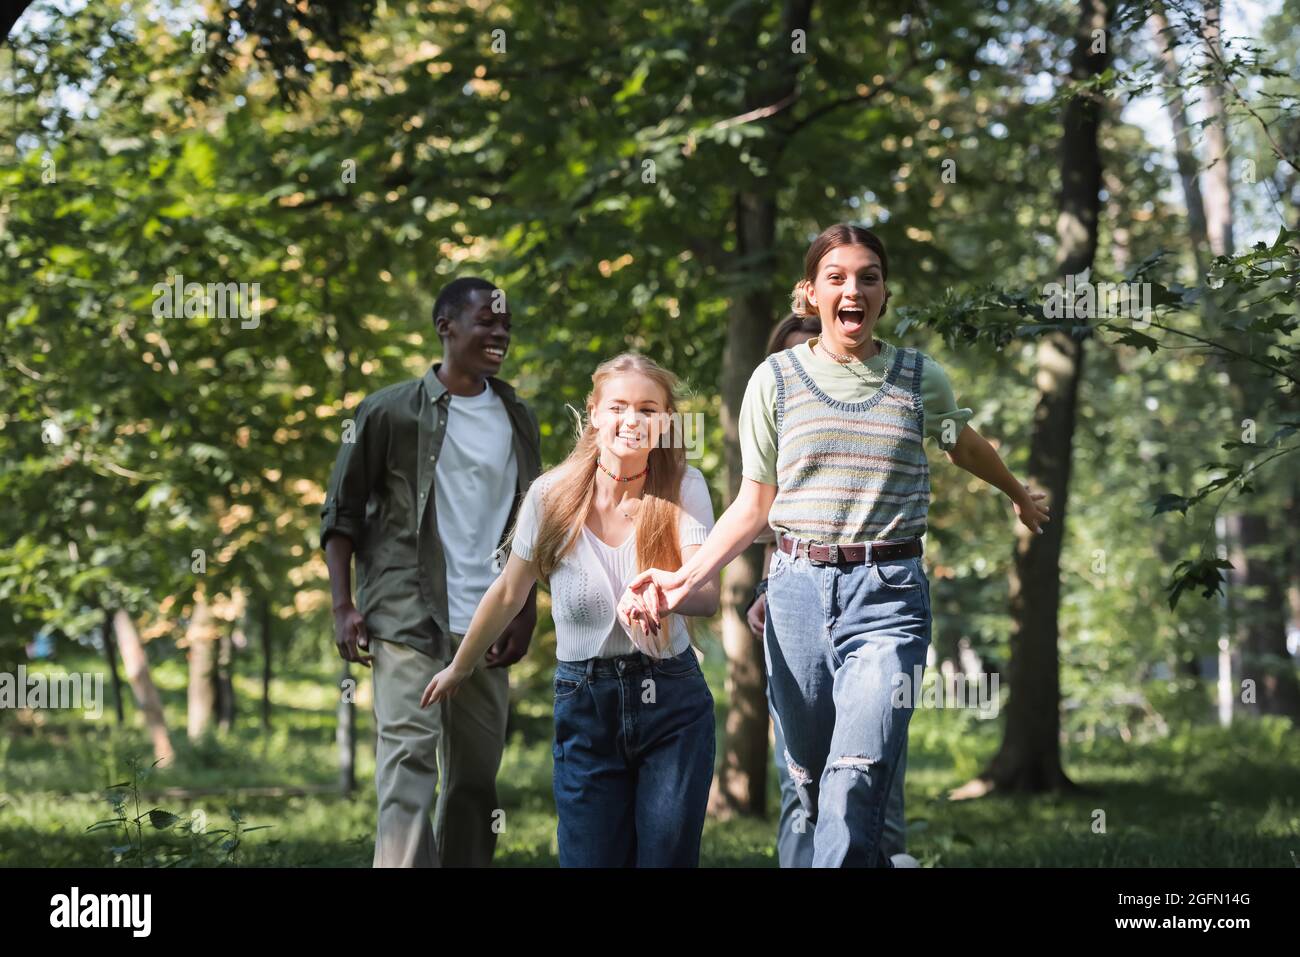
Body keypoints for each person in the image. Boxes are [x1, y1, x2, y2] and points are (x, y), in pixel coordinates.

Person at [625, 224, 1051, 867]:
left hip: (889, 595)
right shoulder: (775, 380)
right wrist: (681, 579)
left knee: (855, 774)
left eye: (868, 277)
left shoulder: (918, 377)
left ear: (883, 293)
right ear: (810, 293)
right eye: (837, 277)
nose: (854, 288)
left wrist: (1017, 492)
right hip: (795, 593)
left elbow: (963, 445)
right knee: (808, 782)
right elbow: (754, 504)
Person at [421, 352, 720, 867]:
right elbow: (509, 592)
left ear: (667, 421)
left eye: (649, 409)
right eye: (619, 406)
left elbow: (708, 593)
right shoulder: (551, 496)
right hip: (585, 701)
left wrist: (665, 593)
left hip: (671, 700)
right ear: (594, 413)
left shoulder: (683, 487)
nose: (633, 420)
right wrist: (460, 666)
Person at [321, 277, 542, 867]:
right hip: (405, 613)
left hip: (485, 621)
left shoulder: (519, 417)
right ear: (446, 327)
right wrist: (343, 605)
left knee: (474, 780)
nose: (499, 335)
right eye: (486, 323)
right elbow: (340, 513)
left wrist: (528, 609)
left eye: (505, 327)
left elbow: (533, 525)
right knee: (409, 765)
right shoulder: (389, 412)